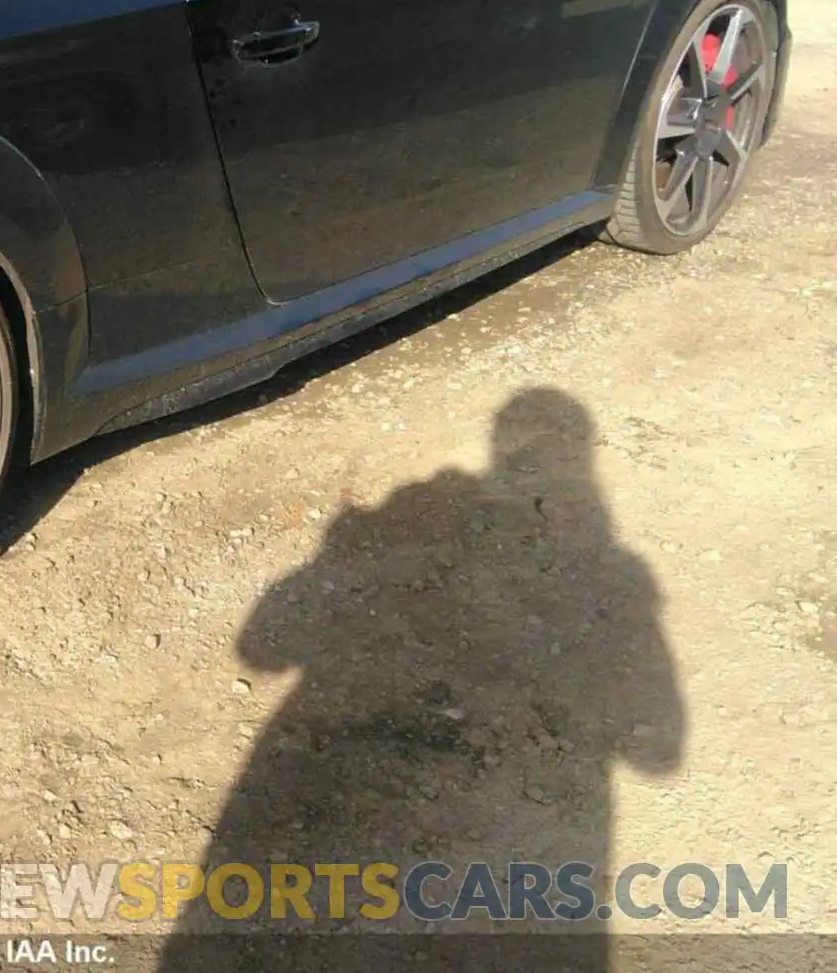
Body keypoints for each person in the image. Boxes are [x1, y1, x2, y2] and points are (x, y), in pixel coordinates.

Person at [162, 389, 683, 967]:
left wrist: (325, 558)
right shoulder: (624, 578)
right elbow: (660, 755)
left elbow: (258, 651)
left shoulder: (616, 580)